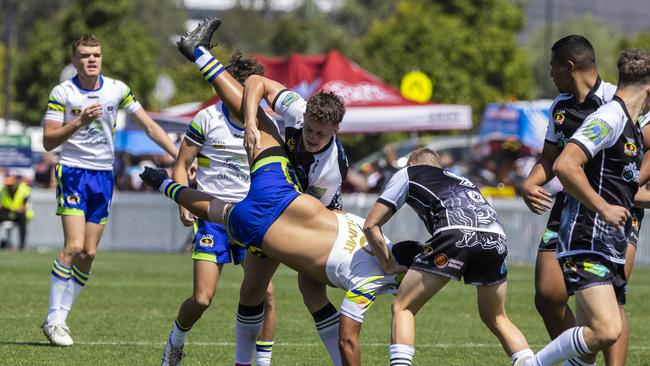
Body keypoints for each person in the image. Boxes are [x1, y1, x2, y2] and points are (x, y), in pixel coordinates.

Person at [139, 151, 423, 366]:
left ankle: (164, 184)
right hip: (266, 229)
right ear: (400, 272)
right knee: (228, 230)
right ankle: (164, 185)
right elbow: (348, 338)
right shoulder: (370, 279)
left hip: (286, 196)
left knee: (284, 291)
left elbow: (336, 215)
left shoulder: (375, 234)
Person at [176, 18, 349, 365]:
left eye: (320, 134)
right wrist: (252, 123)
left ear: (336, 130)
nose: (312, 137)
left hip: (296, 211)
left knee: (309, 289)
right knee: (254, 289)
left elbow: (315, 213)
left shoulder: (330, 169)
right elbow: (256, 82)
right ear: (307, 117)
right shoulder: (299, 110)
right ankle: (197, 52)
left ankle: (338, 358)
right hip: (272, 184)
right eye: (309, 129)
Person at [41, 34, 178, 347]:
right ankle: (54, 319)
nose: (92, 59)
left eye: (97, 55)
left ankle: (62, 316)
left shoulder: (117, 89)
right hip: (73, 172)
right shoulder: (63, 93)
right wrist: (78, 122)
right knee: (74, 246)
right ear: (74, 60)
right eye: (85, 55)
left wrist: (177, 156)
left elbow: (150, 126)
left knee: (89, 253)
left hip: (103, 177)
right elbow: (48, 141)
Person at [523, 48, 650, 366]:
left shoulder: (630, 124)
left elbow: (628, 188)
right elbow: (565, 165)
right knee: (606, 330)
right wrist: (604, 207)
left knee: (594, 336)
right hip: (587, 236)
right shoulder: (610, 117)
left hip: (607, 240)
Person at [362, 147, 534, 366]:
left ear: (413, 164)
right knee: (497, 317)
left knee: (402, 307)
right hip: (496, 238)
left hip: (455, 233)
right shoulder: (463, 179)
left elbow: (371, 224)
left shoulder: (409, 173)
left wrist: (388, 265)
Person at [161, 51, 277, 366]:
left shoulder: (267, 127)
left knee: (266, 294)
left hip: (252, 217)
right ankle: (176, 341)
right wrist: (182, 202)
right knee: (202, 298)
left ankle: (262, 362)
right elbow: (182, 165)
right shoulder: (207, 119)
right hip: (212, 217)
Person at [0, 175, 33, 250]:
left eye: (11, 185)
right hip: (8, 212)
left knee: (22, 219)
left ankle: (22, 245)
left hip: (20, 214)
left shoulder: (24, 190)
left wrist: (11, 208)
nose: (9, 187)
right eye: (8, 185)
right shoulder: (3, 190)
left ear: (16, 183)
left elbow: (23, 208)